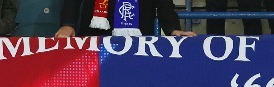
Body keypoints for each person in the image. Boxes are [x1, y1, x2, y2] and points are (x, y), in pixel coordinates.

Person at [54, 0, 195, 37]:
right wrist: (68, 24)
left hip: (139, 33)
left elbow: (163, 2)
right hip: (97, 30)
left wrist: (173, 28)